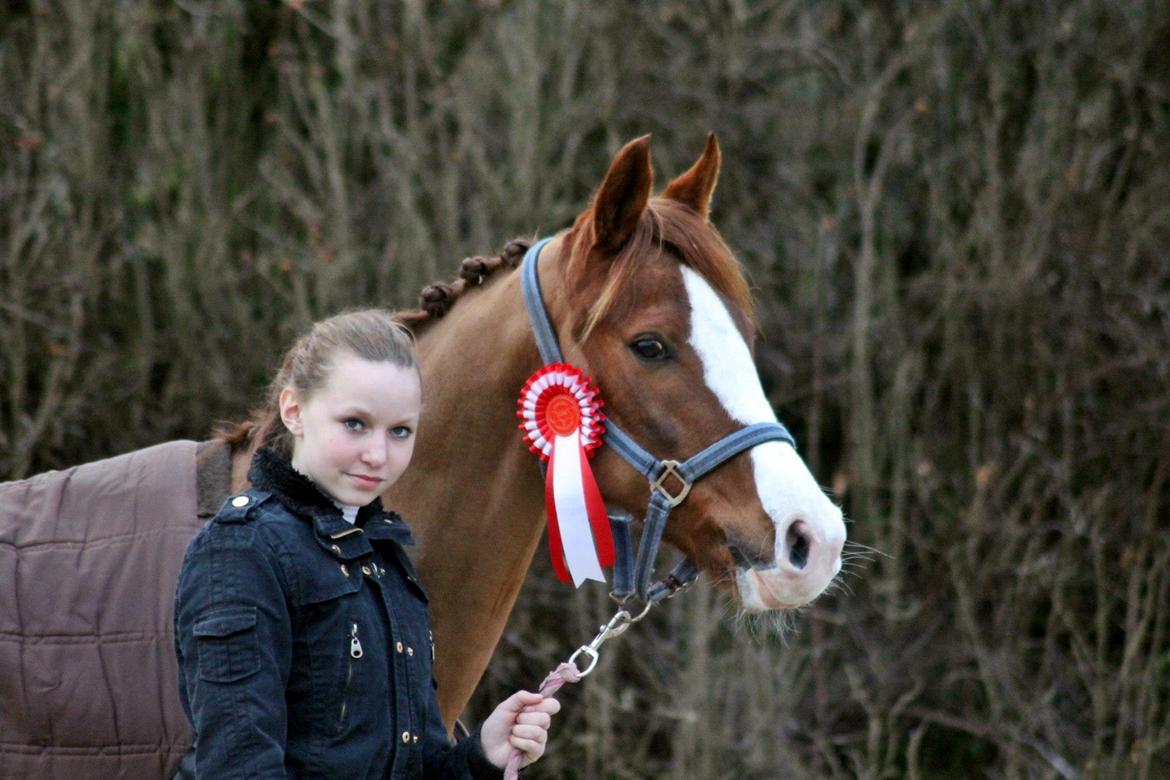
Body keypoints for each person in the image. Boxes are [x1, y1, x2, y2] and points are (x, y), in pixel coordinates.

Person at [174, 309, 559, 778]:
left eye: (400, 431)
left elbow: (412, 768)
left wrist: (482, 756)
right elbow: (237, 768)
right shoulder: (241, 551)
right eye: (355, 423)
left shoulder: (387, 558)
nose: (378, 455)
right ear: (294, 410)